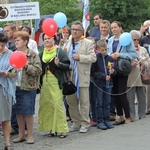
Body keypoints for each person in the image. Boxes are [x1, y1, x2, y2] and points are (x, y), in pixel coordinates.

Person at [65, 21, 96, 133]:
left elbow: (93, 58)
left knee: (84, 101)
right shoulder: (68, 42)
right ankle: (76, 122)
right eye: (72, 29)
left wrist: (80, 57)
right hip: (70, 76)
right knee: (71, 101)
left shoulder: (87, 43)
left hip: (82, 75)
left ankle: (85, 123)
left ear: (82, 31)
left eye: (76, 29)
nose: (74, 31)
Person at [38, 34, 70, 138]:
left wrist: (58, 64)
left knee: (57, 104)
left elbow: (68, 66)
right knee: (47, 104)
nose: (47, 40)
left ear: (54, 39)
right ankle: (52, 128)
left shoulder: (59, 51)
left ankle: (62, 129)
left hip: (56, 81)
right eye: (45, 39)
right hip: (44, 81)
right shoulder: (41, 53)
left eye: (49, 38)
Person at [12, 31, 42, 144]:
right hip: (16, 86)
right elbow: (12, 68)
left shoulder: (33, 54)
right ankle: (21, 135)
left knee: (28, 112)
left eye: (18, 40)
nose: (16, 42)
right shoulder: (14, 54)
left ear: (25, 41)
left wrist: (26, 65)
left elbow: (38, 70)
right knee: (18, 112)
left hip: (28, 87)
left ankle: (30, 135)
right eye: (15, 40)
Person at [107, 21, 137, 124]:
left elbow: (133, 54)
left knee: (121, 92)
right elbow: (107, 52)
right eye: (112, 28)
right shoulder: (110, 40)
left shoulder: (127, 39)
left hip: (123, 68)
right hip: (113, 67)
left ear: (120, 28)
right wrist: (110, 55)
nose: (113, 29)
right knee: (114, 93)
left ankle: (128, 116)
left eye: (115, 27)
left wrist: (121, 55)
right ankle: (120, 116)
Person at [91, 39, 115, 130]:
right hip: (99, 84)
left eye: (105, 49)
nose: (104, 52)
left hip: (108, 84)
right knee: (99, 102)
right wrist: (103, 76)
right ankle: (100, 121)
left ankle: (107, 120)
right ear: (98, 49)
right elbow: (93, 72)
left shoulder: (110, 58)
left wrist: (113, 71)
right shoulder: (96, 58)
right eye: (102, 50)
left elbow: (113, 69)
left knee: (107, 102)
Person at [0, 32, 17, 150]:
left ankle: (7, 143)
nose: (0, 47)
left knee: (6, 117)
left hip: (5, 89)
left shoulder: (11, 54)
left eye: (2, 45)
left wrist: (8, 74)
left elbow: (15, 73)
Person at [127, 30, 148, 121]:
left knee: (142, 97)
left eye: (137, 40)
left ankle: (142, 115)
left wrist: (144, 63)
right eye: (134, 40)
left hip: (142, 77)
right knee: (130, 98)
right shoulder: (126, 49)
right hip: (131, 77)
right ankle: (132, 116)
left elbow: (148, 60)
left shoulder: (143, 49)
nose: (136, 42)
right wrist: (130, 65)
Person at [3, 23, 18, 135]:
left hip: (8, 85)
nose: (6, 32)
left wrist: (8, 74)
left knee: (7, 112)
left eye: (8, 30)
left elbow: (14, 71)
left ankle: (12, 128)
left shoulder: (11, 51)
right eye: (5, 31)